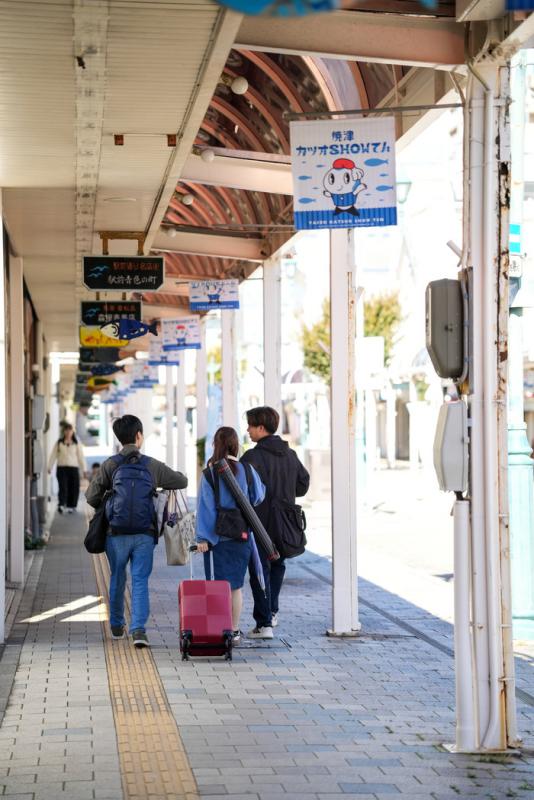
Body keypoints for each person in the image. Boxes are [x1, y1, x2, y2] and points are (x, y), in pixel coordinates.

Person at [86, 414, 187, 648]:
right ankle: (138, 630)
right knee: (140, 580)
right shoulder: (152, 465)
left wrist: (109, 500)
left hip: (115, 534)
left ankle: (116, 625)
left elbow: (91, 497)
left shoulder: (110, 464)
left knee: (117, 576)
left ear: (119, 438)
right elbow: (181, 482)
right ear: (139, 436)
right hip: (144, 534)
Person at [241, 406, 310, 639]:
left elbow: (241, 490)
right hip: (286, 523)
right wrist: (286, 491)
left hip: (259, 522)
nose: (248, 430)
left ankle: (264, 624)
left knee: (260, 570)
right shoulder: (290, 455)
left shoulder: (251, 457)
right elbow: (303, 484)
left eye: (251, 425)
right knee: (278, 565)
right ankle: (271, 611)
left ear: (261, 428)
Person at [196, 426, 265, 645]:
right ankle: (234, 631)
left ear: (216, 445)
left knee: (217, 587)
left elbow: (206, 508)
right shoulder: (248, 470)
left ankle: (219, 630)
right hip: (242, 536)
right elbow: (258, 497)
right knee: (235, 587)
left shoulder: (210, 474)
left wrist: (203, 538)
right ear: (235, 445)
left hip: (217, 539)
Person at [47, 423, 86, 513]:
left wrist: (84, 469)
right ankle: (61, 504)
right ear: (64, 431)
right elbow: (53, 455)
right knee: (63, 487)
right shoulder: (59, 442)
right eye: (66, 430)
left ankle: (71, 506)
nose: (68, 432)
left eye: (70, 430)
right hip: (62, 468)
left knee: (73, 487)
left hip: (73, 468)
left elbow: (81, 457)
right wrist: (50, 466)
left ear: (72, 432)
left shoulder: (76, 443)